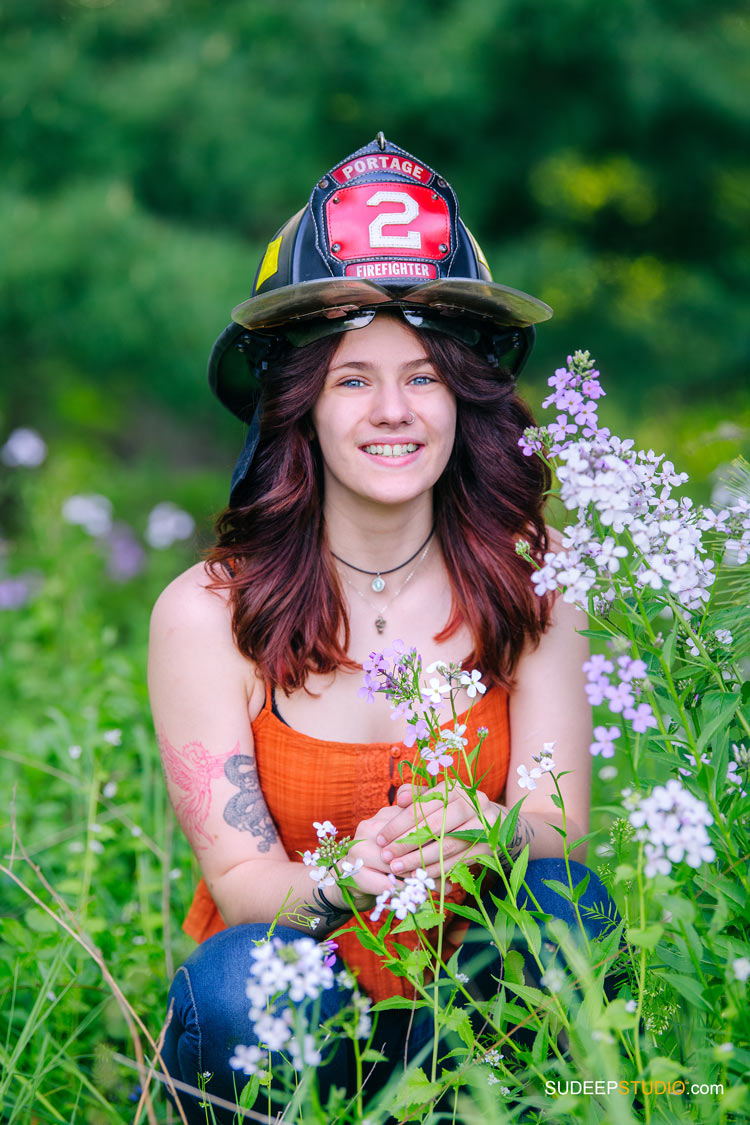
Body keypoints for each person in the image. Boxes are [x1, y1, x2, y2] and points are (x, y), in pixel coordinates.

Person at [148, 135, 615, 1123]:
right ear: (299, 403)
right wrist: (346, 878)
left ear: (467, 393)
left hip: (474, 1021)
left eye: (425, 375)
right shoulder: (208, 611)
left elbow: (559, 826)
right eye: (353, 378)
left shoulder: (536, 581)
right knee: (237, 980)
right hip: (303, 1024)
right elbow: (241, 887)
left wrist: (485, 828)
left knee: (568, 910)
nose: (393, 412)